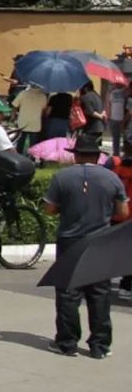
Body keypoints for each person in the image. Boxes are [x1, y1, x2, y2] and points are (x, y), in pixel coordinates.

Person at [44, 133, 129, 358]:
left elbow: (50, 210)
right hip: (100, 241)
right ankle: (100, 346)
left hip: (70, 240)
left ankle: (67, 343)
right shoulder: (112, 178)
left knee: (68, 293)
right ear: (97, 156)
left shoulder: (61, 177)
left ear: (76, 156)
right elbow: (123, 212)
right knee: (99, 293)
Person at [13, 82, 47, 153]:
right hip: (35, 123)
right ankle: (32, 158)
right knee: (33, 144)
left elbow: (15, 105)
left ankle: (18, 156)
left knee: (20, 142)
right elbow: (44, 109)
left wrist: (14, 115)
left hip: (23, 122)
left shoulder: (23, 93)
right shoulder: (43, 96)